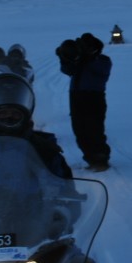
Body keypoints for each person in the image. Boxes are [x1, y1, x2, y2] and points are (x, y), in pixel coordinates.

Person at [56, 33, 112, 171]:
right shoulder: (80, 61)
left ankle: (100, 160)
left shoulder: (103, 60)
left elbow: (99, 68)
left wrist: (87, 56)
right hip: (76, 97)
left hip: (94, 97)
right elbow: (66, 70)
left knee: (94, 130)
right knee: (79, 130)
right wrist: (63, 57)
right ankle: (91, 159)